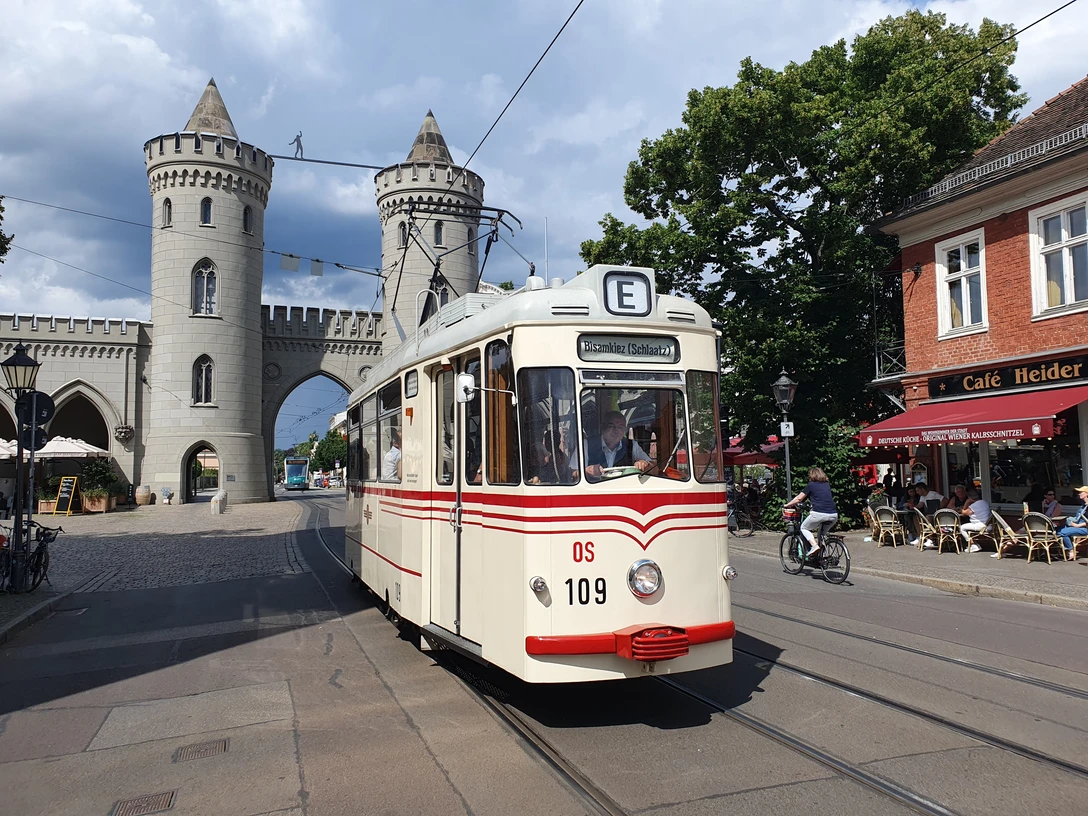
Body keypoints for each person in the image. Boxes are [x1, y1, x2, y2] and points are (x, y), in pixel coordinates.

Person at [784, 466, 838, 557]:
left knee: (804, 528)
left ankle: (814, 546)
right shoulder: (826, 484)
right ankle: (823, 556)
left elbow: (799, 498)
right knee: (821, 535)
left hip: (819, 513)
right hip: (833, 515)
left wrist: (787, 505)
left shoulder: (811, 485)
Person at [583, 411, 652, 480]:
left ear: (625, 429)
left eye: (620, 427)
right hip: (595, 486)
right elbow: (576, 472)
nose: (616, 431)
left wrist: (644, 463)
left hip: (623, 485)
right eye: (611, 426)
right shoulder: (587, 444)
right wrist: (587, 471)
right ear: (602, 427)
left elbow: (653, 467)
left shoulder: (631, 445)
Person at [1054, 486, 1088, 561]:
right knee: (1058, 530)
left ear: (1086, 494)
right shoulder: (1083, 505)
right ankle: (1066, 551)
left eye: (1081, 492)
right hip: (1078, 526)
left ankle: (1071, 551)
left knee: (1062, 532)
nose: (1079, 494)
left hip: (1085, 528)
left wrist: (1077, 525)